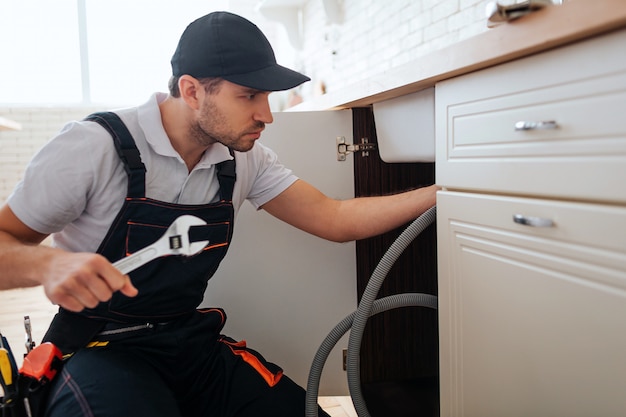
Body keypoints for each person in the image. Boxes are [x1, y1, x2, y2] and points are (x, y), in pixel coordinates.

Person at [0, 11, 438, 417]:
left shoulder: (244, 159)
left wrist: (446, 192)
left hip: (186, 343)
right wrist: (47, 263)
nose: (265, 114)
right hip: (96, 348)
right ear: (191, 90)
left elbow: (335, 217)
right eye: (248, 95)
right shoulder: (93, 146)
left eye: (265, 95)